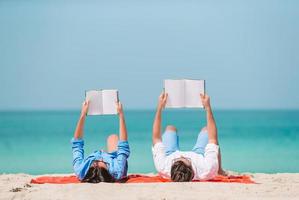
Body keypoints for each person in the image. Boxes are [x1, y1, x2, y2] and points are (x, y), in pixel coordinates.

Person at [152, 92, 226, 182]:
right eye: (186, 159)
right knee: (207, 130)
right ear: (192, 168)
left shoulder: (163, 166)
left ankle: (179, 158)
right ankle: (220, 170)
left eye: (176, 160)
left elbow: (156, 138)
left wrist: (159, 107)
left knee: (170, 128)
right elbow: (212, 138)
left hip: (170, 154)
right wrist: (208, 108)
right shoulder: (207, 169)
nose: (182, 155)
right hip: (199, 155)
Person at [71, 100, 130, 183]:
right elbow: (123, 145)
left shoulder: (81, 171)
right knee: (113, 137)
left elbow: (77, 144)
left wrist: (83, 115)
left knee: (111, 140)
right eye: (102, 162)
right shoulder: (116, 170)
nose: (99, 159)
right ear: (108, 170)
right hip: (114, 159)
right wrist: (121, 115)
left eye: (93, 165)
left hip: (102, 166)